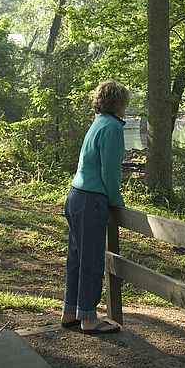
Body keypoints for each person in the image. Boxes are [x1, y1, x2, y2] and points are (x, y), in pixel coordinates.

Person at [61, 79, 130, 334]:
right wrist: (117, 203)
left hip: (76, 195)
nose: (126, 106)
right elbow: (110, 173)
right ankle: (88, 318)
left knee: (77, 257)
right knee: (91, 260)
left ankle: (71, 311)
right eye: (125, 101)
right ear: (119, 102)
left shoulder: (98, 122)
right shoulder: (112, 127)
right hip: (92, 199)